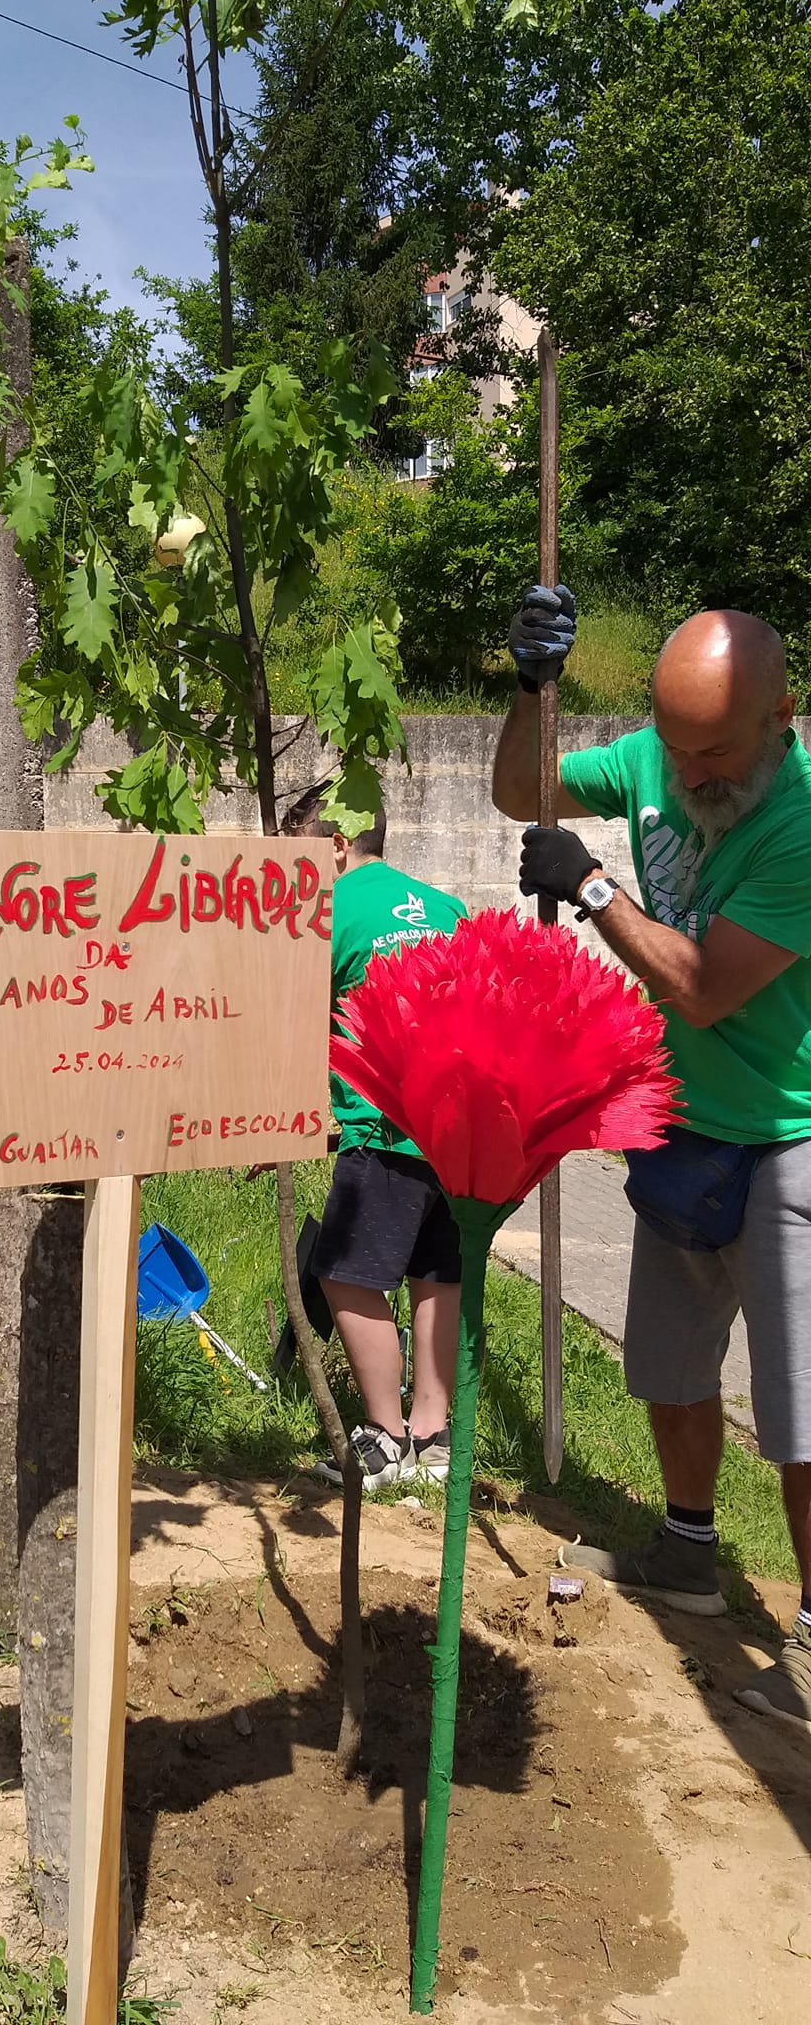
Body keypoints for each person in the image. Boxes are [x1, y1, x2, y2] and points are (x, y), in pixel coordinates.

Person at [494, 587, 811, 1729]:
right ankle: (686, 1552)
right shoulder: (650, 763)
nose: (689, 772)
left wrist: (589, 887)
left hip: (787, 1140)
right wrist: (528, 686)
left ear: (781, 716)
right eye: (676, 747)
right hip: (680, 1126)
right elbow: (520, 791)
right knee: (669, 1369)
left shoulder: (803, 826)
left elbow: (705, 989)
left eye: (713, 751)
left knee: (800, 1412)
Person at [279, 787, 467, 1491]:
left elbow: (300, 1025)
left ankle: (386, 1436)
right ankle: (434, 1436)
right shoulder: (447, 908)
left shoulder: (325, 914)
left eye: (299, 857)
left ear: (335, 845)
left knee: (345, 1271)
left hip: (382, 1124)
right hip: (457, 1133)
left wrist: (278, 1121)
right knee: (436, 1272)